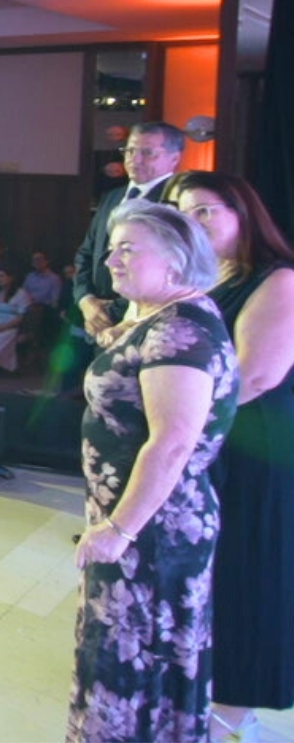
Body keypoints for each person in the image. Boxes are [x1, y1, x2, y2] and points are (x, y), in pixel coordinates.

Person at [67, 199, 238, 742]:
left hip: (153, 532)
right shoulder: (162, 319)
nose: (111, 260)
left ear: (175, 260)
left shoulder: (180, 333)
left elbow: (172, 443)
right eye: (112, 249)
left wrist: (119, 529)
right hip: (144, 524)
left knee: (134, 667)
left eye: (127, 249)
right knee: (123, 658)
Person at [173, 172, 294, 740]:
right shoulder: (201, 280)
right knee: (211, 571)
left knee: (249, 570)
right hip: (208, 442)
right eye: (182, 211)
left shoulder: (277, 278)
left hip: (254, 448)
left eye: (204, 211)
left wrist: (175, 418)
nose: (190, 222)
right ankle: (205, 685)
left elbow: (256, 374)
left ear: (243, 214)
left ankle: (238, 703)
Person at [73, 121, 184, 341]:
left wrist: (110, 313)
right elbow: (86, 253)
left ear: (174, 158)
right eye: (130, 151)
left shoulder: (177, 202)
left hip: (143, 322)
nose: (135, 159)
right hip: (93, 317)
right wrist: (86, 300)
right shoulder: (112, 196)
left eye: (147, 153)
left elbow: (173, 272)